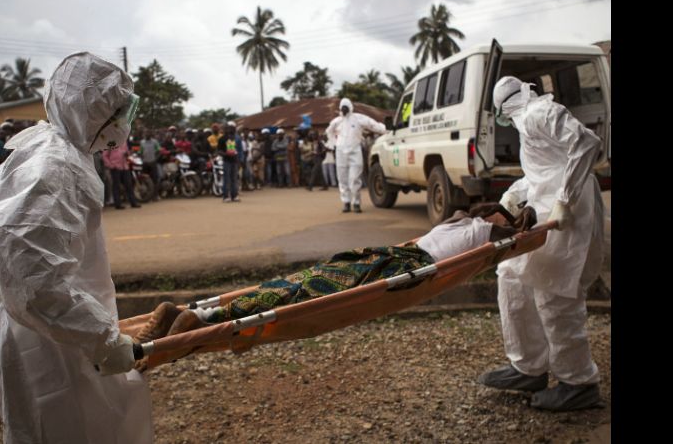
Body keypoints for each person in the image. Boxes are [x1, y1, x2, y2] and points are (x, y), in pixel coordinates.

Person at [0, 52, 154, 443]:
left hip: (57, 327)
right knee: (56, 429)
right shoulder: (53, 167)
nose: (122, 123)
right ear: (91, 110)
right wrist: (101, 337)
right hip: (40, 337)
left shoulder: (61, 151)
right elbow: (35, 282)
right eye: (115, 111)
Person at [134, 203, 537, 364]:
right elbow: (515, 235)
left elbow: (511, 229)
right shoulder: (479, 232)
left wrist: (509, 220)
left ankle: (199, 314)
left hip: (386, 257)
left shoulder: (458, 223)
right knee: (303, 294)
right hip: (394, 268)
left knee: (295, 284)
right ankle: (204, 320)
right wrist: (518, 224)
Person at [477, 76, 605, 412]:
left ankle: (578, 383)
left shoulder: (538, 112)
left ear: (505, 107)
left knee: (555, 294)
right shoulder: (528, 122)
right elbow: (542, 172)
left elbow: (587, 144)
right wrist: (511, 198)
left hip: (568, 213)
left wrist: (565, 198)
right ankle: (528, 366)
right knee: (512, 276)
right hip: (550, 207)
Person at [325, 98, 386, 213]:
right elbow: (329, 132)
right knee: (342, 178)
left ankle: (356, 203)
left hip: (355, 151)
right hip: (341, 152)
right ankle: (346, 202)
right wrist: (333, 144)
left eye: (346, 107)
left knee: (354, 178)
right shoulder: (336, 121)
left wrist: (386, 129)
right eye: (342, 107)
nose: (344, 109)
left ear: (350, 107)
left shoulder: (358, 118)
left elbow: (373, 125)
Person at [103, 139, 141, 209]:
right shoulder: (110, 142)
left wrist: (128, 153)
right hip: (115, 167)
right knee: (116, 186)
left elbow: (127, 152)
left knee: (129, 185)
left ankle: (133, 202)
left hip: (125, 166)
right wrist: (111, 165)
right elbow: (105, 156)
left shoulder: (124, 141)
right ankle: (118, 204)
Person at [217, 122, 241, 202]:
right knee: (227, 179)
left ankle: (235, 195)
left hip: (234, 160)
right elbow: (219, 151)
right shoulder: (222, 139)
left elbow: (237, 150)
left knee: (234, 178)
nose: (229, 129)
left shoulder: (234, 138)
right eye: (227, 128)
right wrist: (226, 154)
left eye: (231, 128)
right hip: (226, 160)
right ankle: (226, 196)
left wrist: (238, 158)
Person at [139, 128, 162, 201]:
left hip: (152, 163)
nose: (147, 134)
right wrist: (140, 157)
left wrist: (155, 159)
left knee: (155, 180)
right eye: (145, 133)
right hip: (145, 163)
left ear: (151, 134)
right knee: (145, 180)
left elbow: (159, 151)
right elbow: (140, 152)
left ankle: (155, 196)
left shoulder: (155, 142)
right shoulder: (142, 142)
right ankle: (146, 196)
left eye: (148, 133)